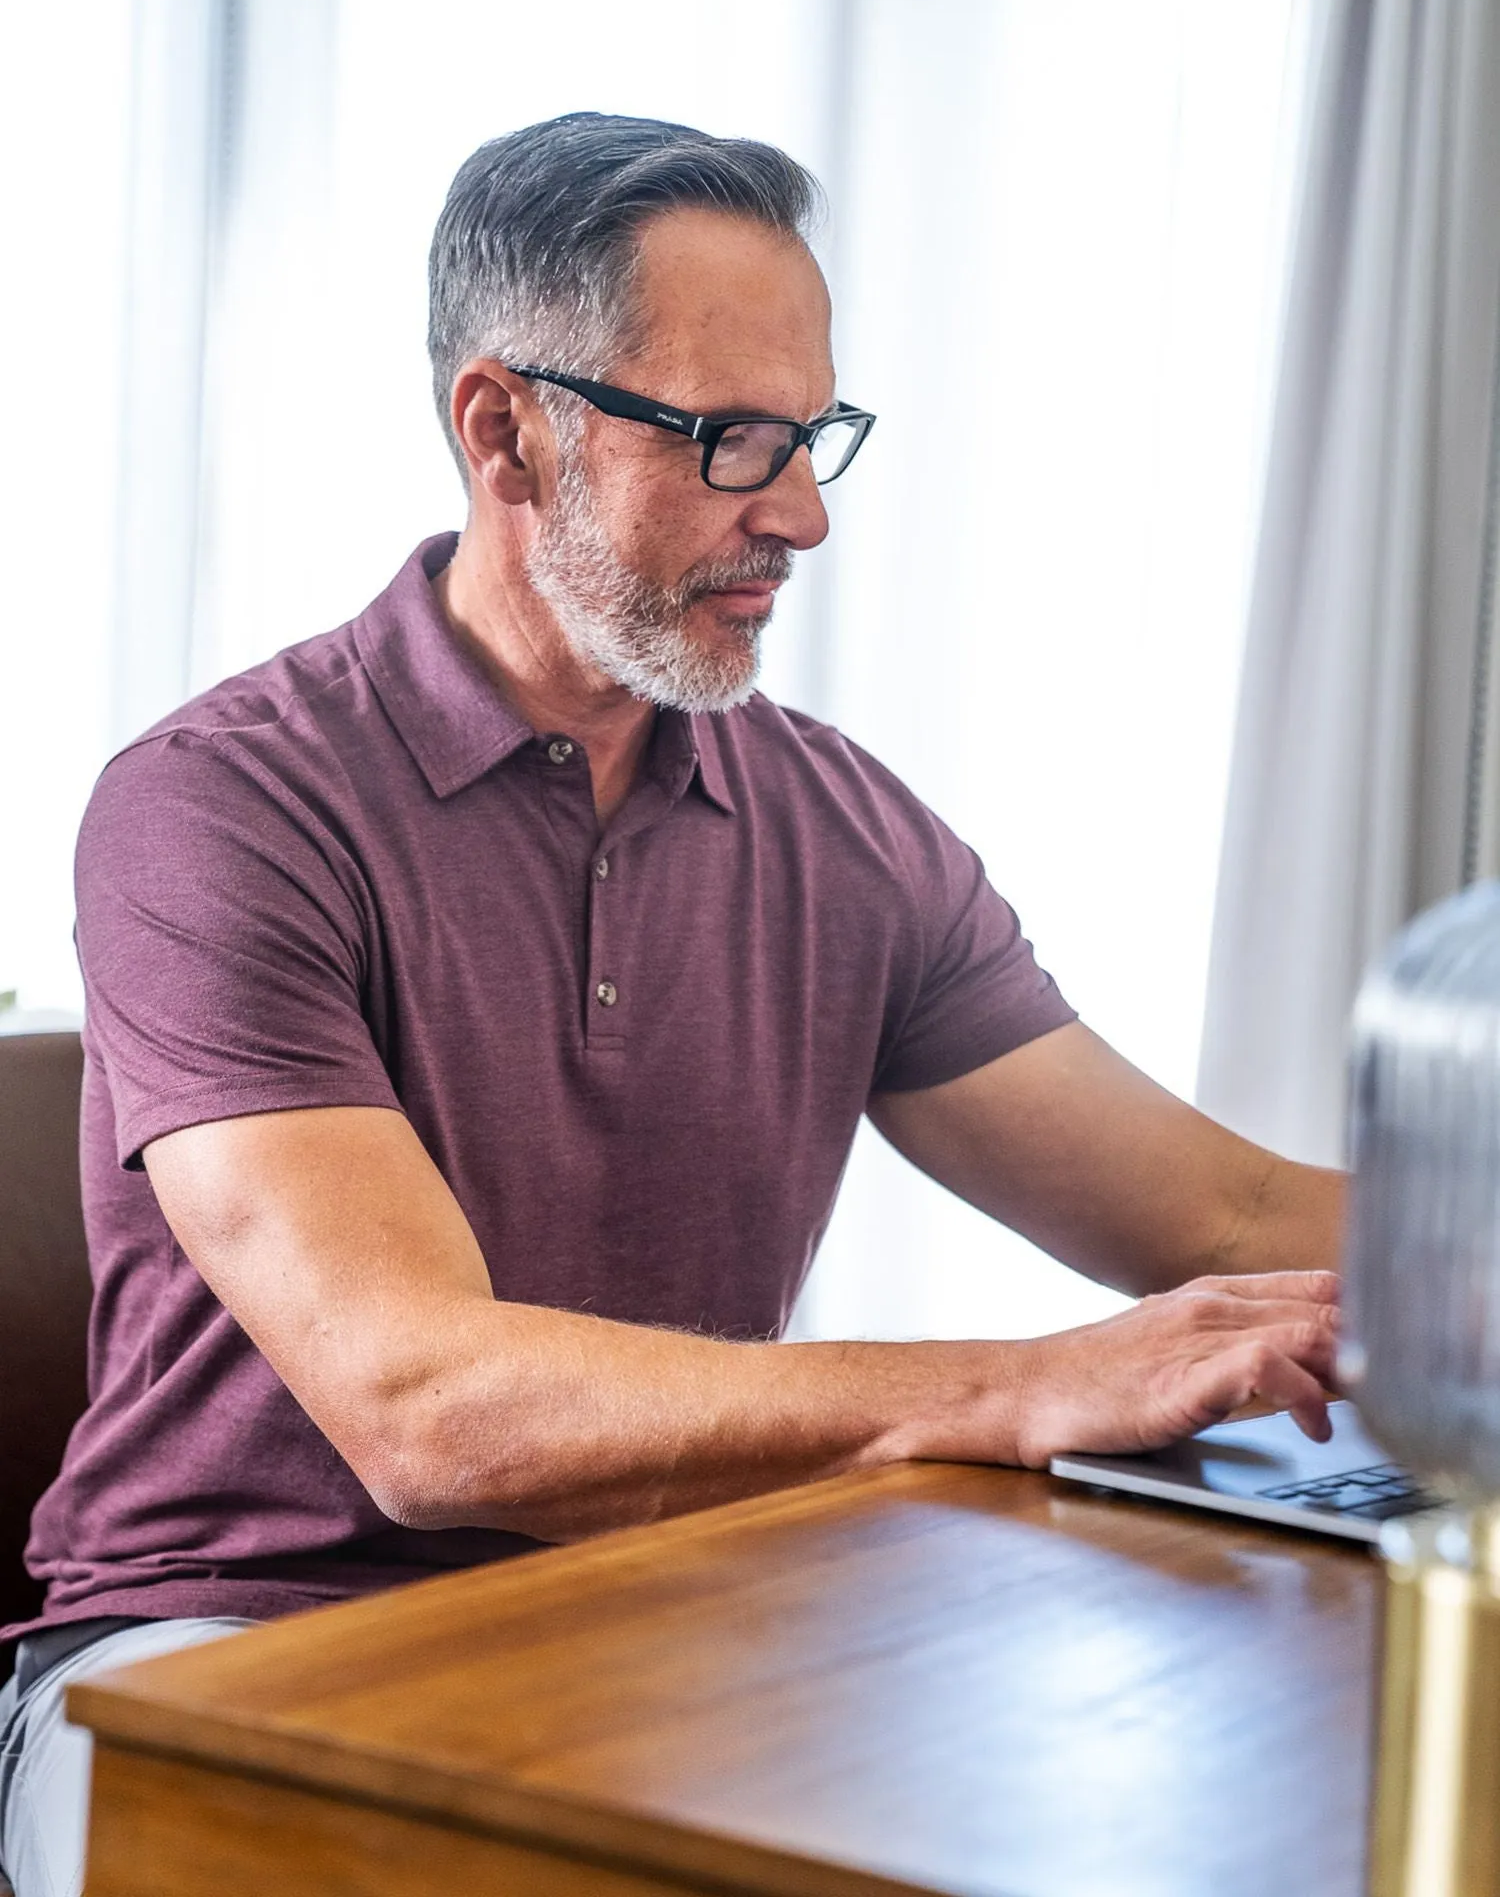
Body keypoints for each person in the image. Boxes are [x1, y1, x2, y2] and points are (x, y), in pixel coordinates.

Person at [0, 113, 1342, 1897]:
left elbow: (1225, 1214)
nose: (799, 513)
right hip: (208, 1657)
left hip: (663, 1628)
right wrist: (1024, 1384)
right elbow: (427, 1409)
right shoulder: (221, 807)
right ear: (503, 430)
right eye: (728, 442)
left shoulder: (842, 830)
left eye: (813, 437)